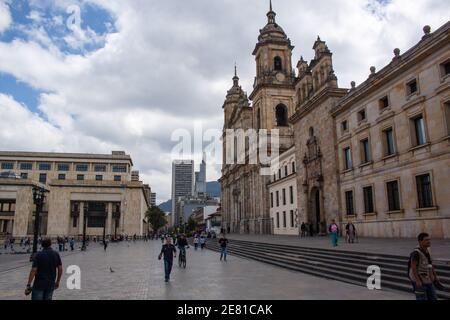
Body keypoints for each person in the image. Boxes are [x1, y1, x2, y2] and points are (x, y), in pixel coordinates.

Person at [408, 233, 443, 300]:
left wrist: (435, 276)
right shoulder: (416, 253)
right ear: (420, 241)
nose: (429, 241)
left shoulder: (427, 251)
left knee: (433, 297)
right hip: (419, 280)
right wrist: (417, 281)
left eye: (429, 239)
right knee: (421, 298)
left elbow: (430, 265)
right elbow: (413, 268)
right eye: (426, 240)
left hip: (427, 279)